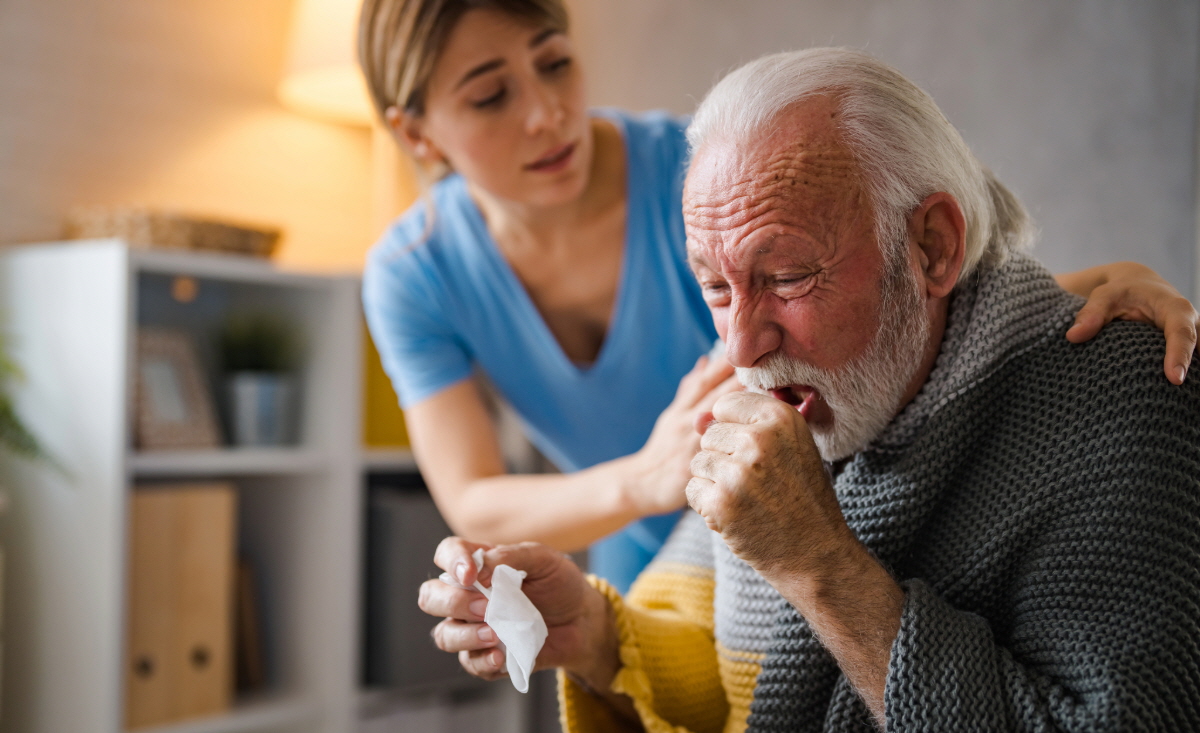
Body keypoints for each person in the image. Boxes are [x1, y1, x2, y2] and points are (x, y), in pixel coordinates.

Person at [416, 48, 1200, 733]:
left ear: (932, 246)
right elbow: (720, 657)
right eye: (716, 287)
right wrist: (591, 633)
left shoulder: (1122, 402)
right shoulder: (786, 391)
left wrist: (818, 564)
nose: (741, 345)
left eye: (787, 277)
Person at [359, 0, 1199, 594]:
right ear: (416, 131)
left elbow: (897, 294)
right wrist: (646, 482)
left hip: (803, 535)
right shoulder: (411, 274)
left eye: (554, 63)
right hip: (643, 565)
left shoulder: (697, 176)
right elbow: (472, 499)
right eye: (491, 94)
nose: (547, 114)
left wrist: (1093, 284)